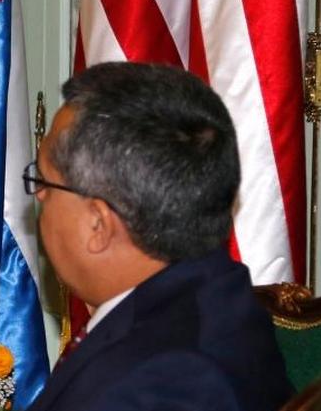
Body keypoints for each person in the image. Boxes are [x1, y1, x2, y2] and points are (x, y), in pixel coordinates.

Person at [26, 62, 293, 411]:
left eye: (44, 182)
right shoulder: (215, 292)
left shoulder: (156, 386)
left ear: (98, 224)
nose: (38, 196)